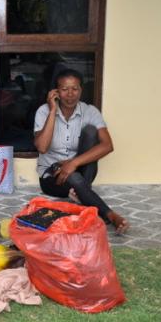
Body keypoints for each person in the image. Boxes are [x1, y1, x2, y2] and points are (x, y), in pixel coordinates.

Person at [33, 68, 129, 234]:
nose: (70, 94)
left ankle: (82, 194)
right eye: (64, 89)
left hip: (80, 168)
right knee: (75, 178)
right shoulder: (43, 111)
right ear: (56, 92)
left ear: (81, 90)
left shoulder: (90, 111)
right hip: (52, 177)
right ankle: (110, 215)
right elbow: (41, 147)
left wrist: (73, 162)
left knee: (91, 132)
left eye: (75, 88)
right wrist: (53, 110)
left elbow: (107, 145)